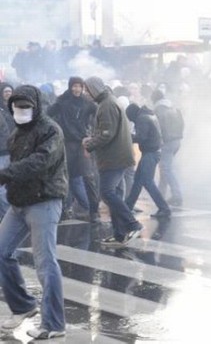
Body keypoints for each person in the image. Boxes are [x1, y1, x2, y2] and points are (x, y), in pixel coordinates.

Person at [0, 85, 67, 339]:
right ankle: (24, 306)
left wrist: (4, 175)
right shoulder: (17, 132)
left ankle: (54, 324)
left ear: (37, 106)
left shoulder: (51, 130)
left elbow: (39, 162)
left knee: (45, 263)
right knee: (1, 252)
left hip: (44, 201)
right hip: (19, 203)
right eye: (17, 106)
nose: (21, 111)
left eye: (26, 106)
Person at [82, 77, 142, 247]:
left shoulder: (106, 105)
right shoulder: (108, 101)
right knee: (114, 194)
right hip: (119, 155)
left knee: (107, 193)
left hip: (114, 157)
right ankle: (119, 233)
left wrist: (89, 143)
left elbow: (107, 133)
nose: (86, 93)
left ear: (94, 89)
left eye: (87, 90)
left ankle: (132, 224)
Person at [48, 77, 101, 222]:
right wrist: (55, 131)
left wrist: (93, 134)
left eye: (79, 86)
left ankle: (94, 211)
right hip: (67, 144)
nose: (76, 89)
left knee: (88, 176)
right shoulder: (62, 101)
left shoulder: (87, 103)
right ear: (70, 87)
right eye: (74, 86)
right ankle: (65, 209)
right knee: (66, 177)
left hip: (83, 144)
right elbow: (47, 115)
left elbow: (99, 117)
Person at [124, 103, 172, 217]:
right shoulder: (148, 114)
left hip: (150, 153)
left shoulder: (142, 118)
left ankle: (164, 208)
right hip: (152, 152)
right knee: (138, 180)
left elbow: (142, 137)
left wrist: (127, 137)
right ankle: (128, 206)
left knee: (147, 181)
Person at [151, 89, 184, 205]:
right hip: (177, 140)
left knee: (166, 168)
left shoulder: (158, 110)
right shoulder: (173, 107)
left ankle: (177, 195)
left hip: (167, 141)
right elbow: (182, 123)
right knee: (165, 167)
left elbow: (157, 128)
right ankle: (160, 194)